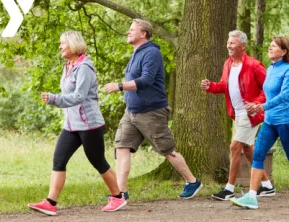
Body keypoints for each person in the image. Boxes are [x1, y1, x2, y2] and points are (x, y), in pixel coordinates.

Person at [28, 31, 127, 215]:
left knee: (98, 161)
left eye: (63, 43)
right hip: (71, 125)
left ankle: (118, 197)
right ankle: (51, 202)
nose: (60, 47)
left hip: (89, 125)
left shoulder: (84, 68)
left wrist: (54, 99)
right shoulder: (68, 66)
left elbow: (79, 96)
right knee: (59, 160)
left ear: (73, 45)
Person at [105, 19, 203, 200]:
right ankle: (120, 194)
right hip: (131, 111)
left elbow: (146, 80)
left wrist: (119, 86)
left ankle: (192, 181)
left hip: (151, 112)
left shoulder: (151, 53)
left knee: (167, 149)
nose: (128, 32)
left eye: (132, 29)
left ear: (143, 34)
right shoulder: (136, 53)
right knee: (121, 147)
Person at [231, 37, 289, 209]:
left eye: (274, 46)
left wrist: (262, 106)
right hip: (269, 121)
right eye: (270, 46)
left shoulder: (288, 70)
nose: (270, 48)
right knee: (258, 155)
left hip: (285, 122)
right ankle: (251, 197)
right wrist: (255, 105)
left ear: (284, 51)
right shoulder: (270, 69)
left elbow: (284, 96)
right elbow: (267, 94)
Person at [201, 30, 275, 201]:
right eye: (228, 42)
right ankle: (267, 186)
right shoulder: (228, 64)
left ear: (243, 46)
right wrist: (210, 86)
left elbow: (268, 89)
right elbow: (223, 85)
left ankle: (229, 189)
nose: (229, 45)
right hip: (237, 114)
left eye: (232, 43)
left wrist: (257, 104)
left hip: (250, 115)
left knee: (234, 147)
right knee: (248, 150)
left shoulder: (254, 65)